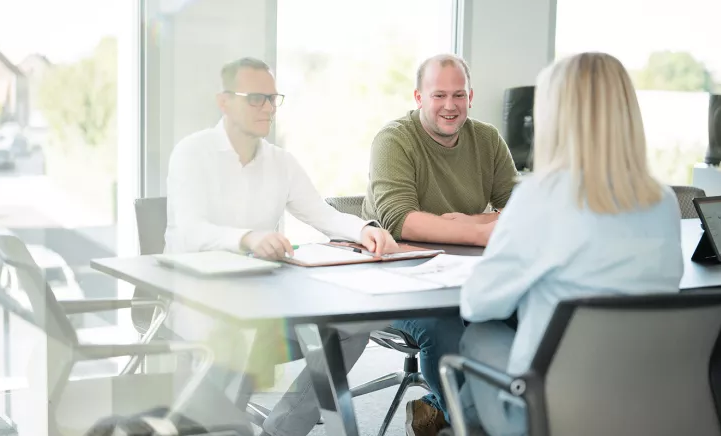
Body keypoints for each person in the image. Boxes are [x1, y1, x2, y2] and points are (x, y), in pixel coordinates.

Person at [164, 57, 397, 436]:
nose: (269, 108)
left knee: (353, 328)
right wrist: (247, 238)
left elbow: (323, 214)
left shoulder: (280, 162)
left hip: (265, 305)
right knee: (217, 417)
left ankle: (283, 429)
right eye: (257, 98)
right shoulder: (192, 154)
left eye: (273, 99)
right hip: (204, 308)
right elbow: (189, 230)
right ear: (224, 102)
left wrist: (365, 229)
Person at [457, 52, 684, 435]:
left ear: (555, 115)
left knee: (478, 335)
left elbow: (477, 304)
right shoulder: (662, 201)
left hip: (549, 415)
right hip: (645, 405)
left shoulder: (540, 196)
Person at [362, 53, 519, 436]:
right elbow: (402, 221)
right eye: (438, 95)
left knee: (517, 314)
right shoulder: (394, 140)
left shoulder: (486, 139)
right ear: (418, 97)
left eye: (459, 95)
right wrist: (483, 229)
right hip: (396, 279)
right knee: (444, 327)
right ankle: (468, 423)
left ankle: (452, 410)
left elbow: (520, 210)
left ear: (471, 96)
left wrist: (465, 221)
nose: (450, 106)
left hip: (464, 271)